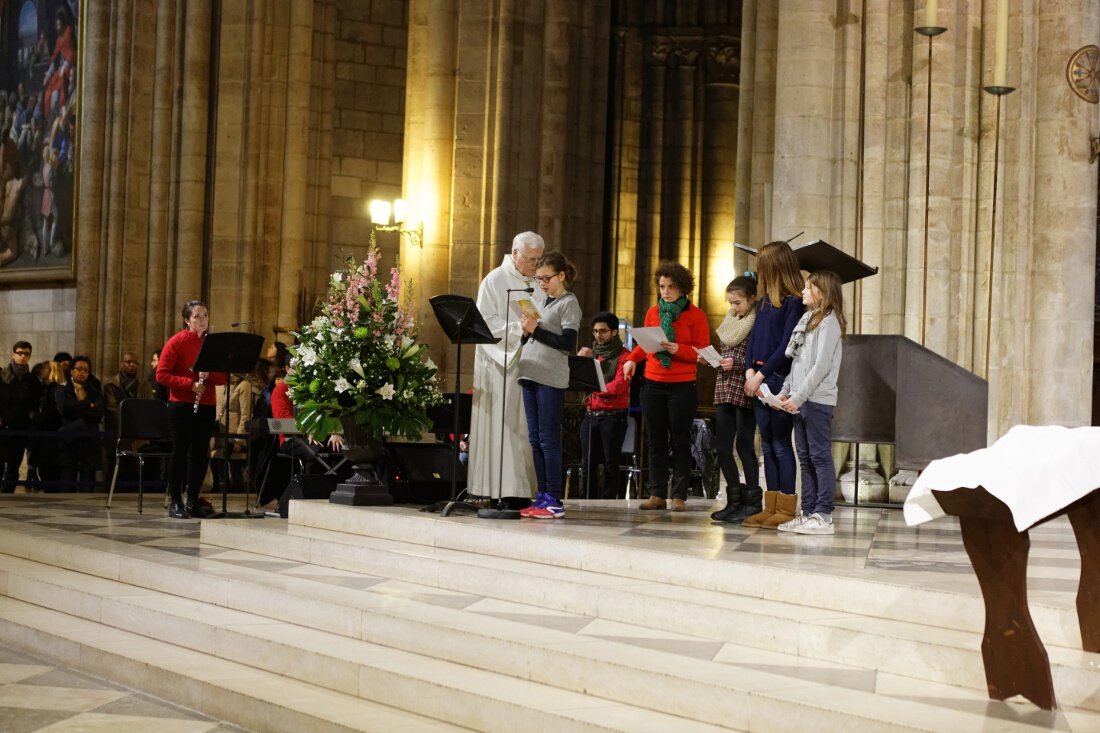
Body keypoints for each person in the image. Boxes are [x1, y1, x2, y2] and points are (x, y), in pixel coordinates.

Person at [622, 262, 712, 511]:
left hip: (682, 386)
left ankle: (679, 496)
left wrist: (679, 350)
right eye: (662, 287)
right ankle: (657, 494)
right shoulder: (653, 312)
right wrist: (631, 359)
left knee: (681, 441)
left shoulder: (696, 315)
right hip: (652, 383)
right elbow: (646, 343)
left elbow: (703, 352)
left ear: (683, 288)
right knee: (655, 440)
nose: (666, 291)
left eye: (671, 287)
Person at [468, 231, 546, 504]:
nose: (534, 265)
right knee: (504, 425)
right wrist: (518, 330)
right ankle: (501, 490)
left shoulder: (537, 282)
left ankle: (525, 490)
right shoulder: (495, 281)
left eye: (537, 259)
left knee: (526, 428)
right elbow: (484, 324)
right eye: (529, 259)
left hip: (530, 363)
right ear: (515, 254)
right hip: (500, 366)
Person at [741, 242, 806, 529]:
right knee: (766, 445)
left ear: (775, 266)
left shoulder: (793, 302)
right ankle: (771, 507)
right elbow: (754, 339)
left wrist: (761, 375)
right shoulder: (765, 301)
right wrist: (747, 371)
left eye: (762, 265)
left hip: (777, 378)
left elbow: (785, 346)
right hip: (758, 380)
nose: (758, 271)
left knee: (781, 444)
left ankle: (787, 507)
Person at [776, 270, 846, 535]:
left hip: (816, 400)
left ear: (822, 293)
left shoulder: (829, 323)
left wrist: (798, 397)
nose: (802, 292)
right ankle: (807, 513)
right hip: (800, 398)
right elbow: (798, 363)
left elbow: (820, 367)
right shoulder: (808, 319)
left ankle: (824, 515)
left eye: (808, 288)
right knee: (804, 458)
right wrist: (785, 392)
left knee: (819, 456)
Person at [515, 252, 581, 519]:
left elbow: (567, 343)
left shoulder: (569, 303)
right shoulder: (540, 301)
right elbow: (532, 338)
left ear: (561, 276)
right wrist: (524, 332)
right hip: (529, 373)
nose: (541, 283)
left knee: (548, 439)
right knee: (534, 440)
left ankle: (554, 498)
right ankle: (541, 496)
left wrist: (536, 330)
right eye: (538, 278)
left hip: (550, 377)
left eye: (546, 278)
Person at [156, 300, 227, 519]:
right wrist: (190, 384)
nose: (202, 320)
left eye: (205, 315)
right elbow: (162, 374)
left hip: (206, 405)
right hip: (181, 405)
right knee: (180, 453)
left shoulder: (212, 343)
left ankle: (192, 500)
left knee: (199, 455)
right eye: (197, 316)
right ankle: (175, 501)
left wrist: (209, 376)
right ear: (187, 320)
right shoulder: (177, 342)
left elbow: (224, 375)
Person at [711, 276, 760, 523]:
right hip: (724, 386)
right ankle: (734, 501)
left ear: (752, 299)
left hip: (745, 386)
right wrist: (712, 359)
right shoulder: (731, 319)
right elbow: (726, 349)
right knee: (722, 447)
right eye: (730, 302)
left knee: (744, 445)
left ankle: (752, 502)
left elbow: (758, 355)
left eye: (737, 302)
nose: (733, 307)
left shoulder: (757, 321)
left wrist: (737, 363)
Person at [577, 312, 631, 500]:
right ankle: (588, 501)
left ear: (615, 332)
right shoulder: (594, 354)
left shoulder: (625, 356)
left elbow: (619, 385)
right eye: (595, 331)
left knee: (610, 464)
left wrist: (594, 386)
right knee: (588, 463)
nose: (598, 336)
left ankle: (609, 502)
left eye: (603, 331)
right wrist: (582, 363)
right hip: (591, 415)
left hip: (613, 417)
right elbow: (581, 380)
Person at [55, 356, 104, 490]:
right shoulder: (62, 389)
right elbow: (64, 409)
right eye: (78, 369)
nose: (82, 372)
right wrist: (88, 405)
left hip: (88, 440)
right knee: (67, 479)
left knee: (87, 481)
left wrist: (77, 408)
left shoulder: (94, 391)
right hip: (69, 439)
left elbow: (98, 413)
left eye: (86, 370)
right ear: (71, 371)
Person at [1, 340, 40, 492]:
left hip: (20, 428)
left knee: (13, 465)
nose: (23, 357)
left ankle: (7, 496)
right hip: (3, 426)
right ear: (13, 354)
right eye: (20, 353)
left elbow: (35, 403)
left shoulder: (32, 380)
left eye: (26, 354)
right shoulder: (3, 375)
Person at [103, 352, 154, 434]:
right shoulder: (111, 385)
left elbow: (150, 405)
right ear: (121, 364)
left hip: (140, 429)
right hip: (118, 429)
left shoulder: (144, 385)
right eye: (128, 362)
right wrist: (129, 422)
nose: (132, 365)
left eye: (135, 362)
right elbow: (112, 409)